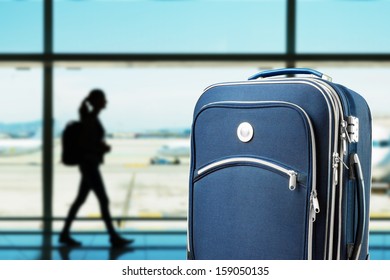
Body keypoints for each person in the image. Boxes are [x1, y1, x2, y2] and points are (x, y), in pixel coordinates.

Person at [59, 89, 133, 247]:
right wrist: (102, 148)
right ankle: (113, 237)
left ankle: (65, 234)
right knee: (103, 200)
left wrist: (99, 147)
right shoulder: (90, 119)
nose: (106, 101)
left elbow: (87, 142)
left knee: (80, 200)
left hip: (89, 164)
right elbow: (85, 144)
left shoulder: (90, 118)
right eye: (103, 99)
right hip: (89, 165)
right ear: (97, 101)